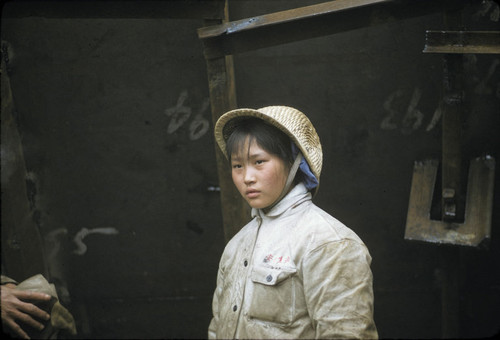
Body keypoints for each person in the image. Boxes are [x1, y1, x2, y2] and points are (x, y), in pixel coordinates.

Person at [208, 105, 378, 339]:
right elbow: (217, 330)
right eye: (237, 166)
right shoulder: (236, 246)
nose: (247, 177)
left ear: (294, 162)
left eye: (259, 162)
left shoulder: (329, 243)